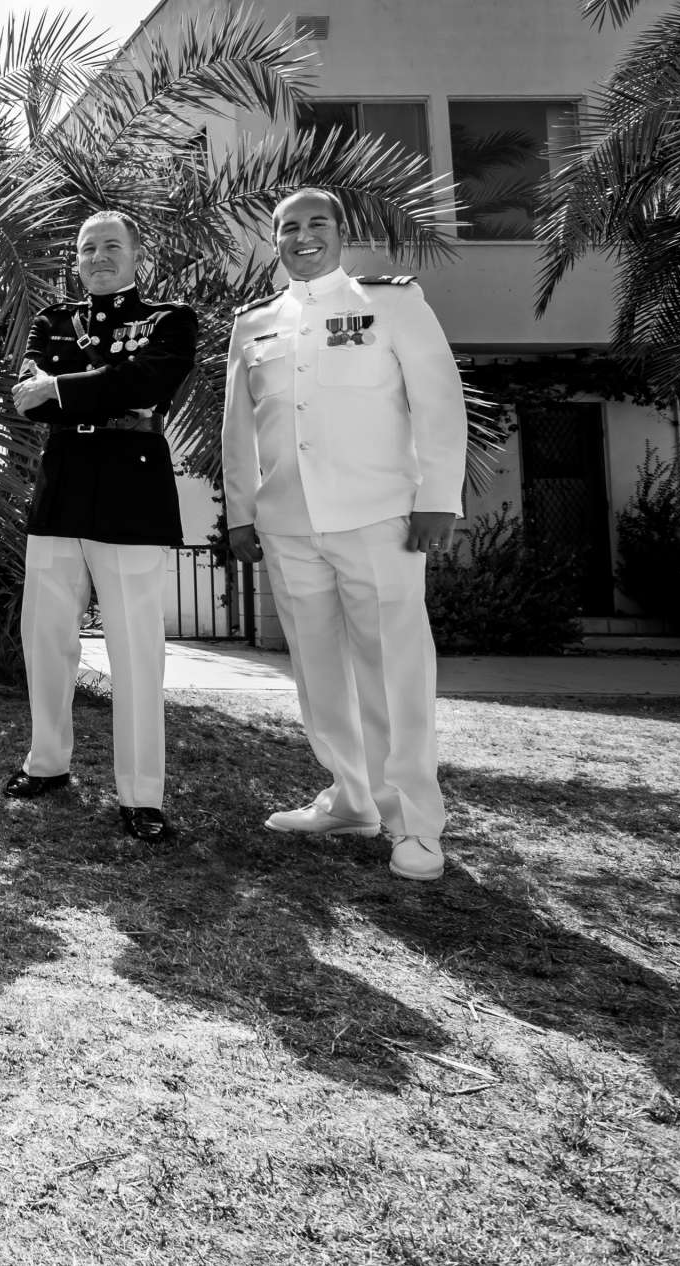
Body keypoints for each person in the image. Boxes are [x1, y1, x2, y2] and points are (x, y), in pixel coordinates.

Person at [221, 188, 466, 882]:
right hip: (290, 523)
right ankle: (351, 797)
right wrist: (242, 510)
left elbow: (438, 400)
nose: (303, 236)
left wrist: (437, 497)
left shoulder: (390, 303)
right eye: (288, 227)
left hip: (379, 516)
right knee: (318, 672)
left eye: (316, 224)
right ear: (274, 241)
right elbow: (239, 427)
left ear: (341, 232)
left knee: (394, 671)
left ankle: (414, 823)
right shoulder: (256, 322)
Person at [3, 211, 199, 843]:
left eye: (112, 246)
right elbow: (29, 396)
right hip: (61, 487)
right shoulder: (52, 320)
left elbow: (146, 380)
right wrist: (91, 391)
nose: (98, 256)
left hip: (130, 488)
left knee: (135, 649)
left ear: (138, 255)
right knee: (45, 637)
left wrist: (61, 387)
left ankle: (142, 795)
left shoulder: (170, 320)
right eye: (88, 248)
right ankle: (48, 761)